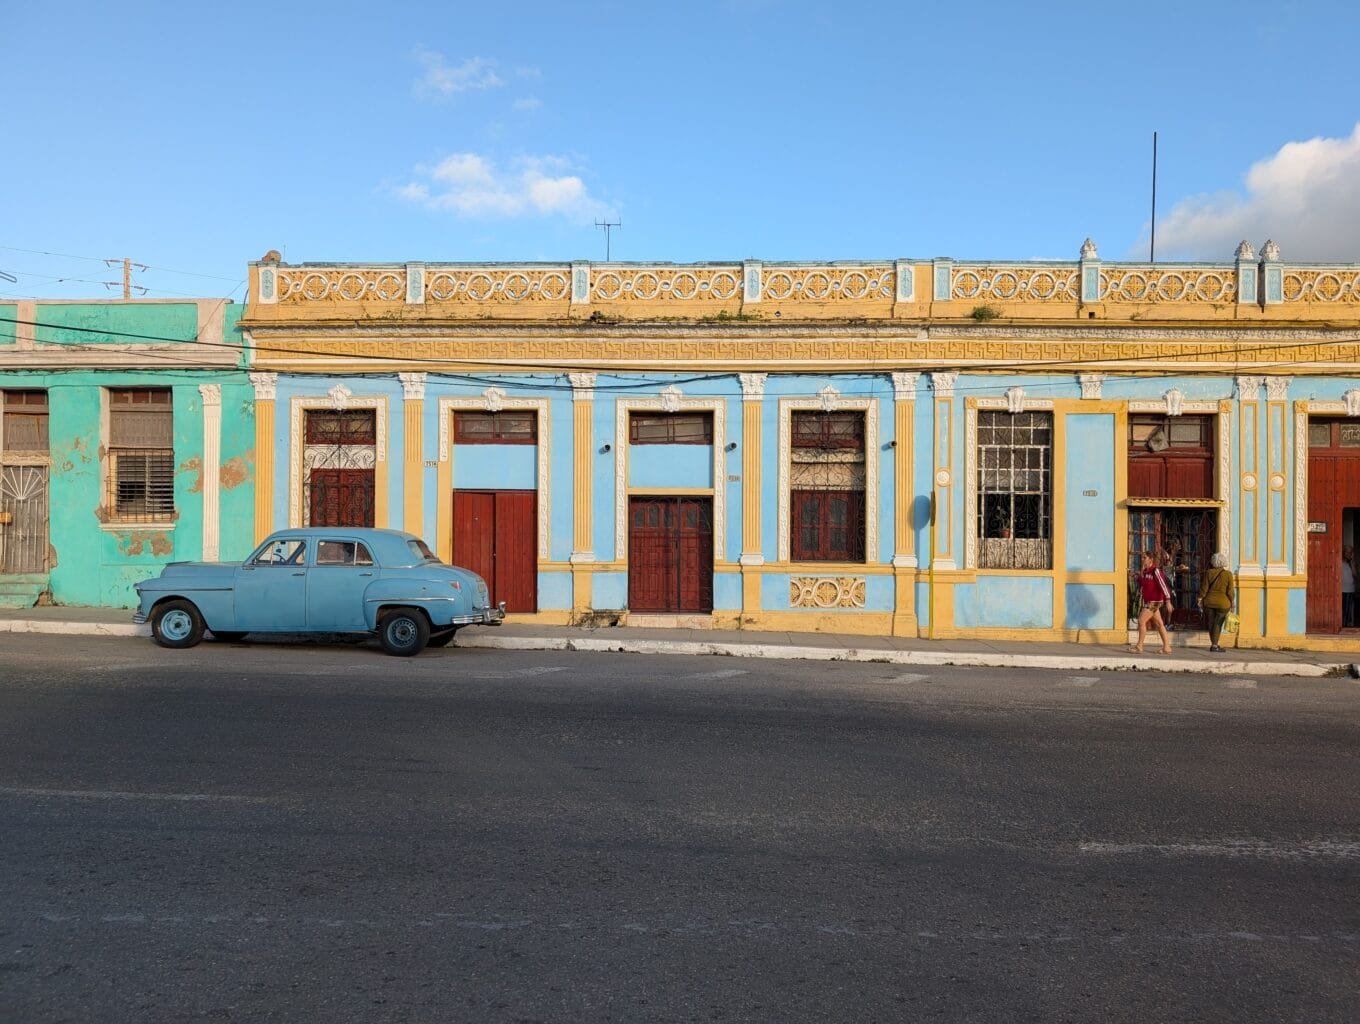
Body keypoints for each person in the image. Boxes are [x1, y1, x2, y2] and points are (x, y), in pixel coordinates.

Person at [1130, 551, 1173, 655]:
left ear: (1150, 559)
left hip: (1154, 601)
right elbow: (1144, 584)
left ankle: (1139, 646)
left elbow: (1163, 585)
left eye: (1145, 557)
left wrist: (1168, 601)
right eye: (1142, 557)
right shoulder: (1146, 572)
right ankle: (1167, 647)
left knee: (1141, 621)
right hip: (1151, 601)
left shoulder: (1155, 571)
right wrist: (1137, 577)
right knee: (1159, 624)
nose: (1142, 559)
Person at [1198, 552, 1235, 653]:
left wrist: (1200, 599)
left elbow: (1204, 588)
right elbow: (1230, 591)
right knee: (1218, 624)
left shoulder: (1209, 573)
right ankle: (1214, 645)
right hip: (1223, 604)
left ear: (1213, 561)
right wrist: (1232, 603)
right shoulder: (1228, 574)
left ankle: (1214, 644)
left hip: (1209, 602)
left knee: (1211, 623)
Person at [1343, 546, 1357, 628]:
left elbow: (1355, 576)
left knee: (1349, 610)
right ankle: (1343, 625)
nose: (1348, 554)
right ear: (1344, 553)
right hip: (1342, 590)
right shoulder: (1340, 562)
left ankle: (1346, 626)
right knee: (1343, 610)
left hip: (1350, 589)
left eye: (1350, 552)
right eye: (1347, 552)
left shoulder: (1352, 563)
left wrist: (1352, 564)